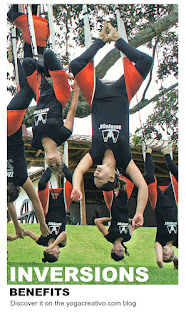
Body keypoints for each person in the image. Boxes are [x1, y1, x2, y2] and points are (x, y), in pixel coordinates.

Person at [70, 22, 153, 228]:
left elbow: (79, 171)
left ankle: (100, 40)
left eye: (95, 177)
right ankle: (116, 39)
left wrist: (76, 187)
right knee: (146, 61)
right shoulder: (125, 160)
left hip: (97, 96)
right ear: (114, 175)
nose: (96, 174)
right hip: (123, 95)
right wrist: (140, 212)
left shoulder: (95, 153)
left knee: (76, 65)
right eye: (100, 178)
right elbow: (143, 186)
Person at [7, 56, 49, 238]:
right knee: (27, 90)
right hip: (10, 122)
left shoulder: (22, 179)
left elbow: (35, 201)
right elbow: (30, 202)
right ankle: (16, 59)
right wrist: (39, 225)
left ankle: (21, 61)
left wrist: (42, 225)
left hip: (11, 124)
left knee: (29, 90)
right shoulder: (20, 179)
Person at [22, 49, 79, 173]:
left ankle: (47, 73)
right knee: (48, 54)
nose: (54, 164)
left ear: (46, 162)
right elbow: (71, 111)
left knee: (27, 63)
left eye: (51, 167)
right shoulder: (63, 135)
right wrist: (76, 90)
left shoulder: (35, 142)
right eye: (58, 165)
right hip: (60, 95)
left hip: (40, 94)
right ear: (61, 156)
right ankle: (49, 73)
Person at [24, 165, 73, 263]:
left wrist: (15, 237)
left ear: (50, 252)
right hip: (62, 205)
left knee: (42, 183)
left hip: (47, 205)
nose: (59, 252)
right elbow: (64, 234)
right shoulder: (62, 243)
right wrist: (53, 246)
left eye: (56, 253)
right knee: (72, 180)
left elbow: (27, 232)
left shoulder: (42, 241)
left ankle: (51, 166)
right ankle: (61, 164)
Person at [144, 147, 178, 269]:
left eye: (162, 255)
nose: (163, 253)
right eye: (166, 255)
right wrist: (176, 261)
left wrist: (162, 266)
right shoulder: (179, 240)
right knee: (179, 176)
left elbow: (159, 261)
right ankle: (167, 154)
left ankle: (148, 152)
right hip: (173, 201)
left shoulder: (160, 241)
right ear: (172, 253)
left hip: (158, 203)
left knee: (149, 177)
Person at [95, 174, 135, 261]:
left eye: (118, 251)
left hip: (114, 207)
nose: (120, 249)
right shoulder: (127, 237)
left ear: (112, 250)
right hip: (125, 207)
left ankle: (109, 171)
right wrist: (129, 221)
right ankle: (120, 169)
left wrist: (111, 219)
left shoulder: (110, 237)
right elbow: (133, 225)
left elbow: (97, 222)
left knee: (109, 184)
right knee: (124, 183)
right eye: (122, 251)